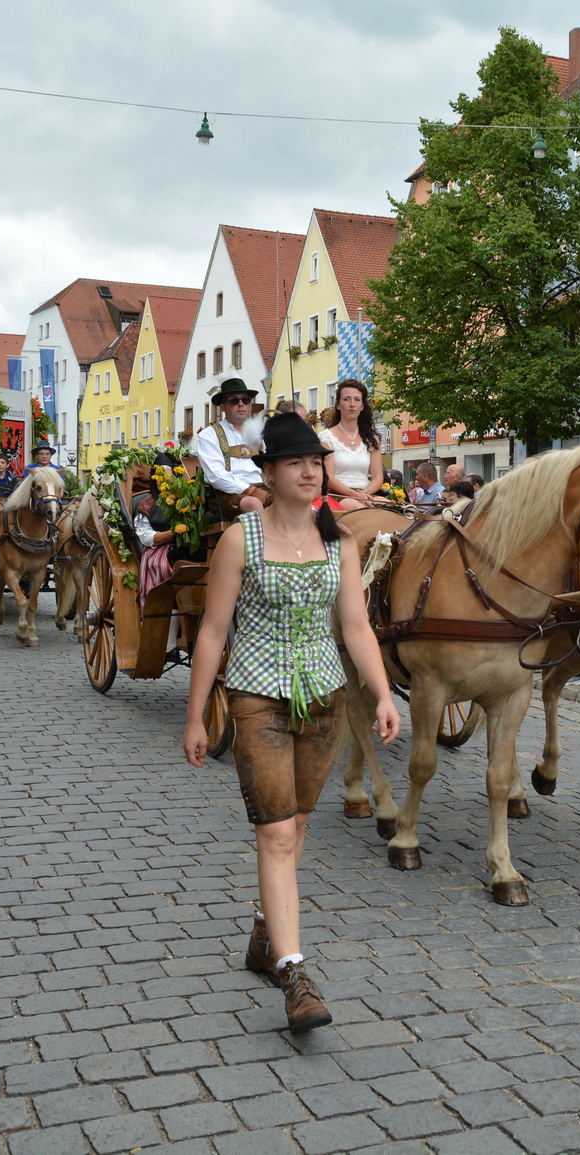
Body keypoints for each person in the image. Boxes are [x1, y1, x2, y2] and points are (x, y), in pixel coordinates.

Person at [183, 412, 399, 1034]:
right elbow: (214, 632)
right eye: (295, 464)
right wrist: (197, 715)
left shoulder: (340, 542)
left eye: (315, 463)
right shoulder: (240, 541)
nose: (309, 473)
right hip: (258, 701)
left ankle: (263, 931)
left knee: (298, 824)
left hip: (325, 701)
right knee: (276, 836)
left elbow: (356, 626)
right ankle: (295, 973)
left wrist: (383, 694)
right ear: (270, 472)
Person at [195, 379, 269, 517]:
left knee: (295, 498)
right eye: (234, 401)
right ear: (223, 407)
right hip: (227, 493)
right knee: (253, 504)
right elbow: (216, 476)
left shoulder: (261, 432)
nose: (241, 404)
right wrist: (249, 490)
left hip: (263, 487)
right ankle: (264, 538)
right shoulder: (210, 434)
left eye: (245, 400)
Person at [317, 379, 383, 509]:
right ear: (338, 405)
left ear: (362, 406)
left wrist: (364, 493)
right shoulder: (326, 438)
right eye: (346, 399)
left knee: (396, 510)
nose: (352, 404)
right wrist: (354, 495)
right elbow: (329, 477)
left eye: (357, 400)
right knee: (360, 510)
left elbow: (378, 477)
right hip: (338, 495)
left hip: (366, 493)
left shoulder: (372, 439)